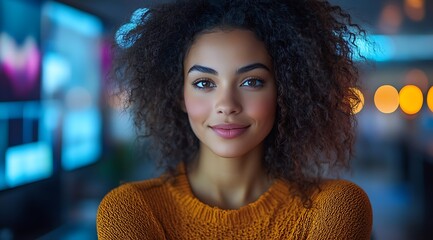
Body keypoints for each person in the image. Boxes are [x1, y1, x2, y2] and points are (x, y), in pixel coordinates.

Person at [97, 0, 373, 239]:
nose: (227, 105)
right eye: (204, 83)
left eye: (252, 81)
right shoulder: (130, 210)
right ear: (179, 94)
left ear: (285, 90)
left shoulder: (335, 207)